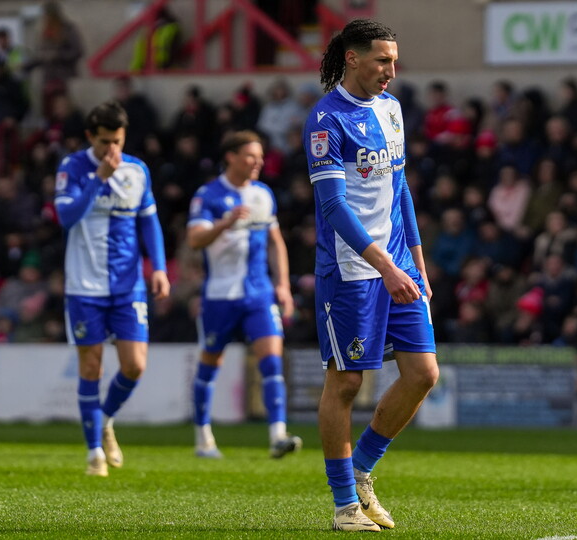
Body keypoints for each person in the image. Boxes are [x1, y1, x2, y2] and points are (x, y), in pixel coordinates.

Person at [303, 19, 438, 532]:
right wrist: (384, 267)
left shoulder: (391, 109)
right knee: (346, 383)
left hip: (398, 264)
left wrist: (416, 263)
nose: (391, 70)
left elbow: (400, 188)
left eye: (395, 60)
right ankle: (343, 506)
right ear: (353, 58)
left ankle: (361, 472)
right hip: (353, 270)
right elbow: (333, 206)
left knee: (423, 374)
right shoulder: (326, 120)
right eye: (382, 60)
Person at [54, 101, 170, 476]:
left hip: (128, 285)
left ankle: (105, 420)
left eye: (117, 142)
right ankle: (93, 454)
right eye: (105, 142)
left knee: (135, 365)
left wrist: (160, 268)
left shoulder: (138, 170)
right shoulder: (73, 168)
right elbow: (67, 217)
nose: (112, 151)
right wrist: (99, 178)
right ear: (91, 137)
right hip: (84, 285)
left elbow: (149, 222)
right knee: (91, 366)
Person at [185, 130, 302, 459]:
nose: (258, 163)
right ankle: (203, 437)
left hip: (258, 293)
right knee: (210, 363)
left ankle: (278, 434)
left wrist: (282, 285)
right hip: (220, 294)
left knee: (271, 361)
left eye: (261, 157)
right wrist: (225, 223)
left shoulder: (263, 195)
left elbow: (275, 241)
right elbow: (195, 240)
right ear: (231, 157)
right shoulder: (208, 195)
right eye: (251, 156)